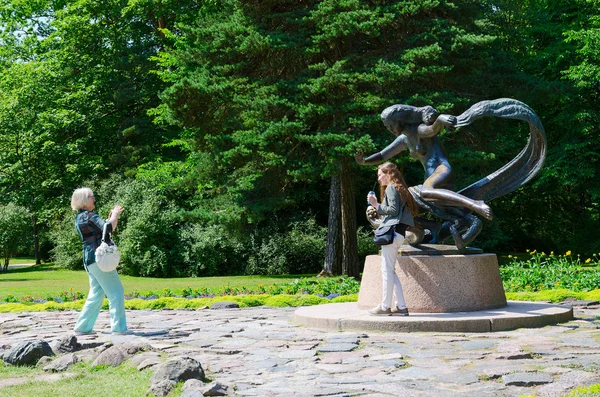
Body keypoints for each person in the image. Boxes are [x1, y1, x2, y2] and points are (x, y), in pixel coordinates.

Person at [355, 104, 493, 220]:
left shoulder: (419, 130)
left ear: (401, 121)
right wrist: (364, 161)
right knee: (413, 202)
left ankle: (475, 204)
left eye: (391, 126)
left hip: (442, 169)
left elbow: (433, 129)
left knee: (425, 192)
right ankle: (434, 231)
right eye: (387, 128)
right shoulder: (404, 139)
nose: (390, 130)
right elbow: (382, 155)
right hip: (430, 177)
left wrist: (440, 119)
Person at [71, 187, 129, 335]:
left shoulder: (79, 217)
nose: (94, 199)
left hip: (89, 259)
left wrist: (110, 218)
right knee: (116, 291)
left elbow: (102, 229)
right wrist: (115, 214)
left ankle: (82, 327)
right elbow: (109, 228)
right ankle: (119, 329)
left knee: (96, 293)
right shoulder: (90, 216)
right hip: (100, 259)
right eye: (91, 197)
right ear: (84, 199)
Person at [367, 162, 419, 316]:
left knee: (387, 271)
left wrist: (375, 204)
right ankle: (401, 307)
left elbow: (393, 210)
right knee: (391, 271)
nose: (379, 179)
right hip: (400, 234)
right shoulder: (401, 188)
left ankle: (384, 307)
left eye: (380, 174)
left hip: (392, 233)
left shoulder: (391, 187)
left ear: (388, 172)